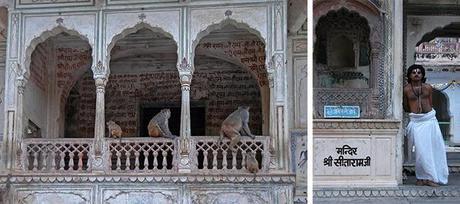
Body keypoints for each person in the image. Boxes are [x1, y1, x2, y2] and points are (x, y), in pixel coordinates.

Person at [403, 64, 448, 187]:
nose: (416, 74)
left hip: (429, 120)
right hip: (417, 122)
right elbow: (406, 106)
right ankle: (421, 177)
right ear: (410, 75)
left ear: (422, 75)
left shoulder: (428, 88)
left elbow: (430, 103)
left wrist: (425, 113)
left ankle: (431, 178)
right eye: (413, 72)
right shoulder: (406, 89)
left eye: (419, 72)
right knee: (421, 152)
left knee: (433, 150)